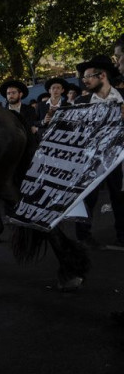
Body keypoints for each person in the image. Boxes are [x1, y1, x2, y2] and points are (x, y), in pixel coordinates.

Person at [72, 55, 124, 248]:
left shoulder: (122, 97)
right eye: (83, 77)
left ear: (102, 75)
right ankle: (83, 236)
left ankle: (122, 236)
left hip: (119, 160)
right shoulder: (80, 101)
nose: (84, 80)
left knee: (120, 198)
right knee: (87, 198)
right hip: (91, 160)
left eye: (88, 76)